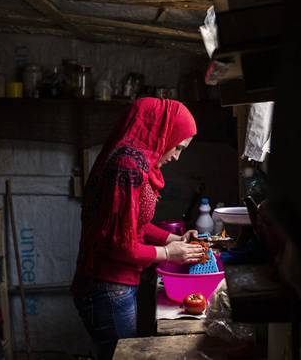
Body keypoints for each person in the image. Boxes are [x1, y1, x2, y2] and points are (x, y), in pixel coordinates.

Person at [71, 97, 205, 360]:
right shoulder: (128, 167)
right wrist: (168, 254)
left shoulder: (137, 162)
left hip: (112, 287)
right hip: (107, 288)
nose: (176, 156)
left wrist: (174, 238)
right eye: (177, 147)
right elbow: (120, 246)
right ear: (163, 131)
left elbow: (135, 225)